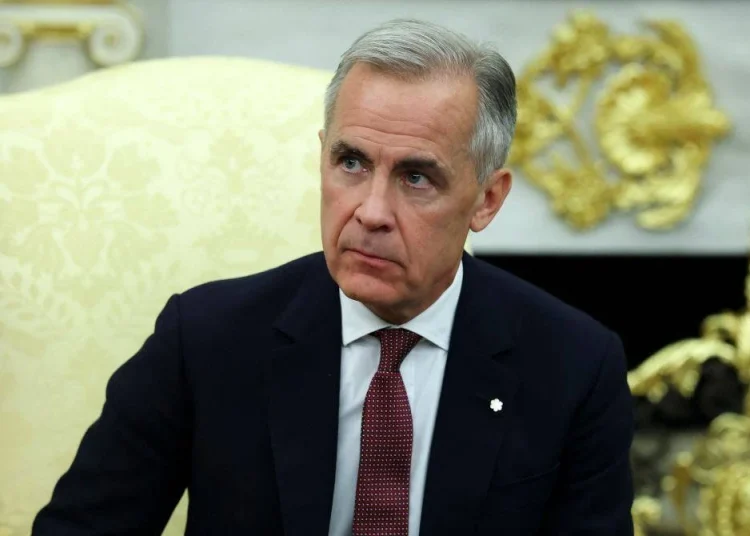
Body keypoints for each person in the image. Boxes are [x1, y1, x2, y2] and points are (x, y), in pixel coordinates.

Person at [32, 18, 634, 536]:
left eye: (416, 178)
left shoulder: (575, 367)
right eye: (351, 162)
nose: (371, 212)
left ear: (487, 200)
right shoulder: (205, 341)